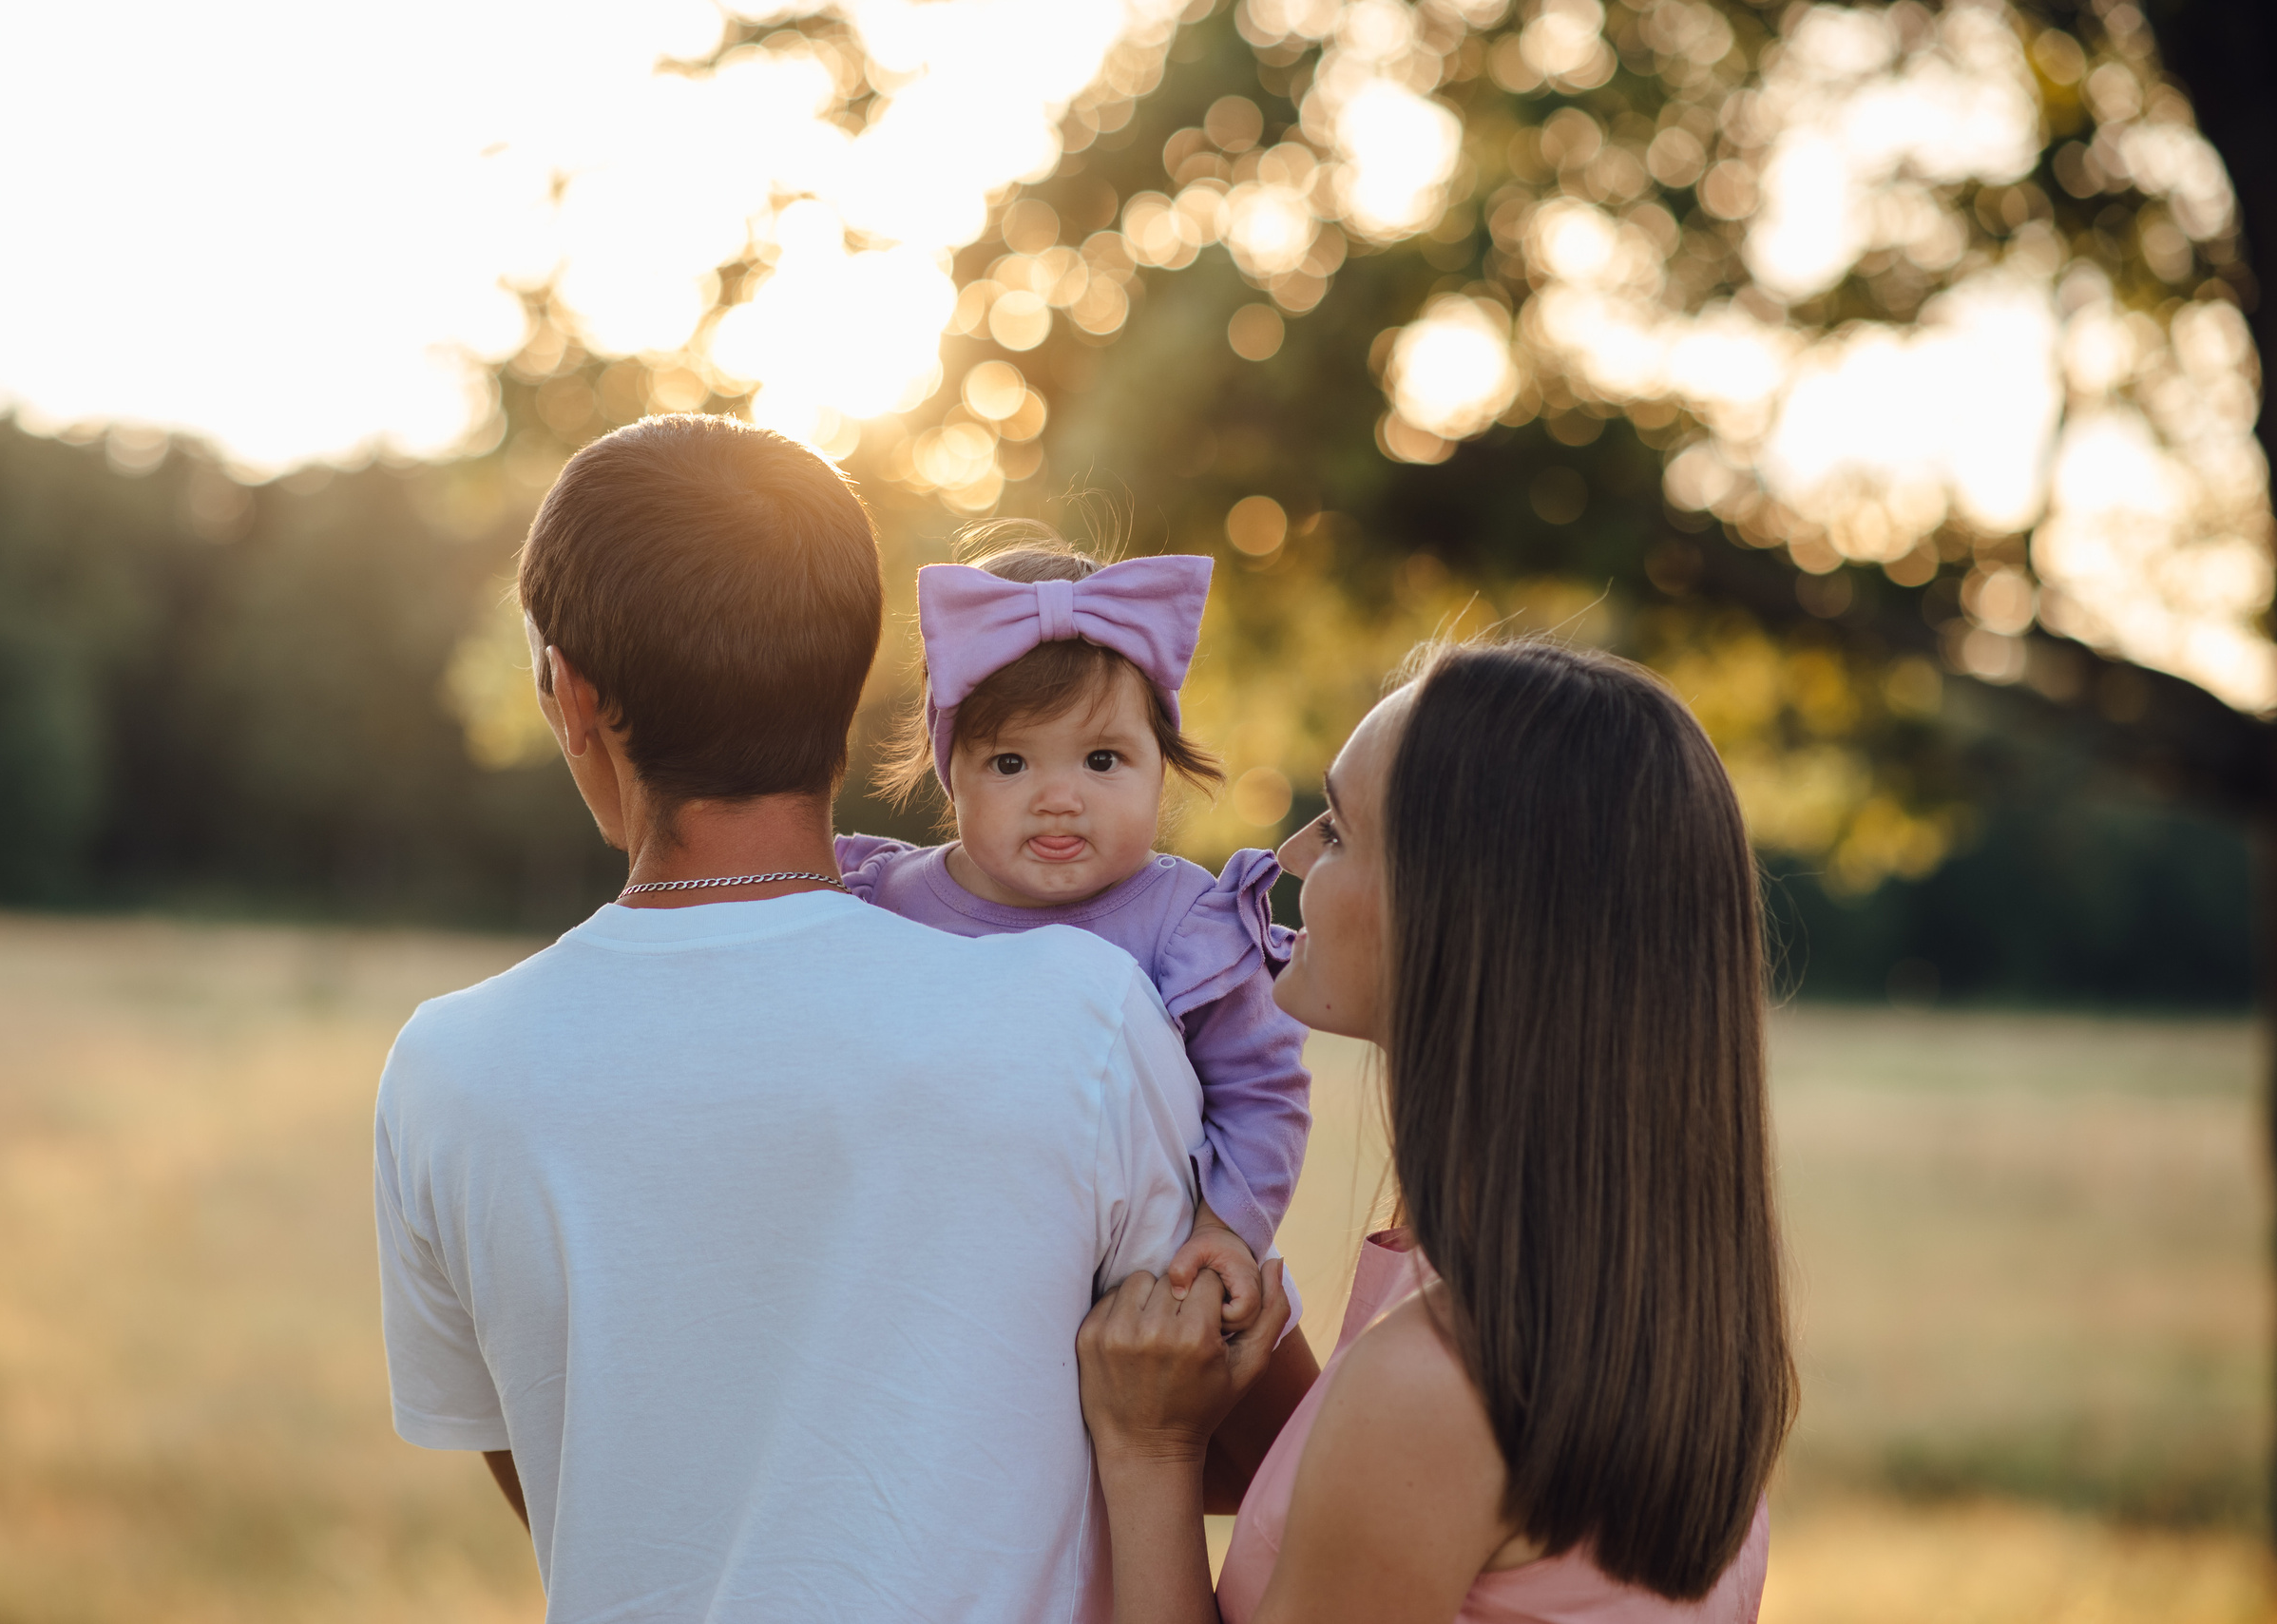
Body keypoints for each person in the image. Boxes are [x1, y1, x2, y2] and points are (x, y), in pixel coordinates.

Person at [371, 414, 1215, 1622]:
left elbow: (573, 1484)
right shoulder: (1077, 1014)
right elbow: (1237, 1425)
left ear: (570, 695)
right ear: (858, 677)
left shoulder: (446, 1070)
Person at [1077, 639, 1798, 1624]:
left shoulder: (1440, 1381)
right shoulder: (1613, 1314)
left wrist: (1148, 1451)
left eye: (1333, 830)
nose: (1287, 859)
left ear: (1456, 915)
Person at [837, 527, 1313, 1329]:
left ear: (1162, 765)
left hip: (1136, 1301)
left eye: (1101, 760)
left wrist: (1226, 1227)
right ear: (948, 768)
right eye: (1011, 763)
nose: (1059, 797)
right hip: (939, 1288)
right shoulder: (883, 902)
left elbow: (1263, 1091)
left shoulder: (1187, 923)